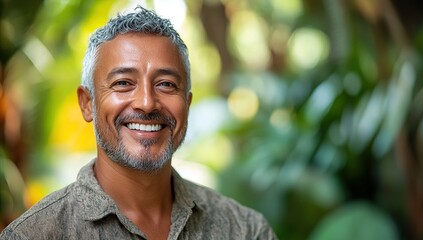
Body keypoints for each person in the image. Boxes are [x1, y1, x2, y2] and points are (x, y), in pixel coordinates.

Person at [0, 6, 277, 240]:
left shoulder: (246, 230)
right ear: (87, 103)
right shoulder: (33, 234)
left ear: (187, 104)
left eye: (166, 84)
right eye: (123, 83)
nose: (146, 102)